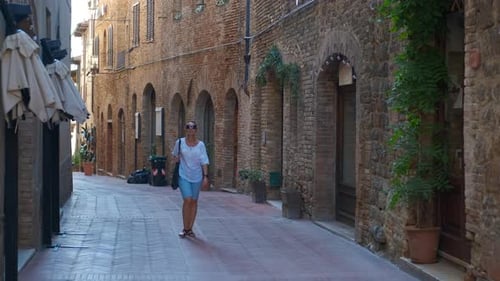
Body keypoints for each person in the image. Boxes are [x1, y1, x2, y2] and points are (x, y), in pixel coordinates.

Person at [172, 121, 209, 238]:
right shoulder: (180, 142)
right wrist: (176, 159)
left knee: (194, 201)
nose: (191, 129)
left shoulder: (201, 145)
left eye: (193, 127)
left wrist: (205, 177)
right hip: (183, 175)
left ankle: (190, 228)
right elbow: (174, 156)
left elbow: (204, 161)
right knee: (187, 199)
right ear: (186, 129)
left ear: (196, 130)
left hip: (197, 177)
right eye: (188, 127)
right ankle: (184, 227)